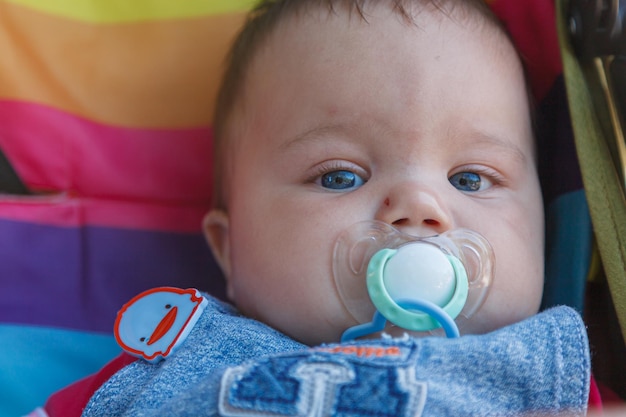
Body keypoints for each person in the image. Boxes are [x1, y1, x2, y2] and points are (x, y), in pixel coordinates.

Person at [32, 0, 599, 415]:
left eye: (470, 178)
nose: (420, 208)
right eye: (339, 176)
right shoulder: (175, 363)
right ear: (231, 249)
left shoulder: (547, 375)